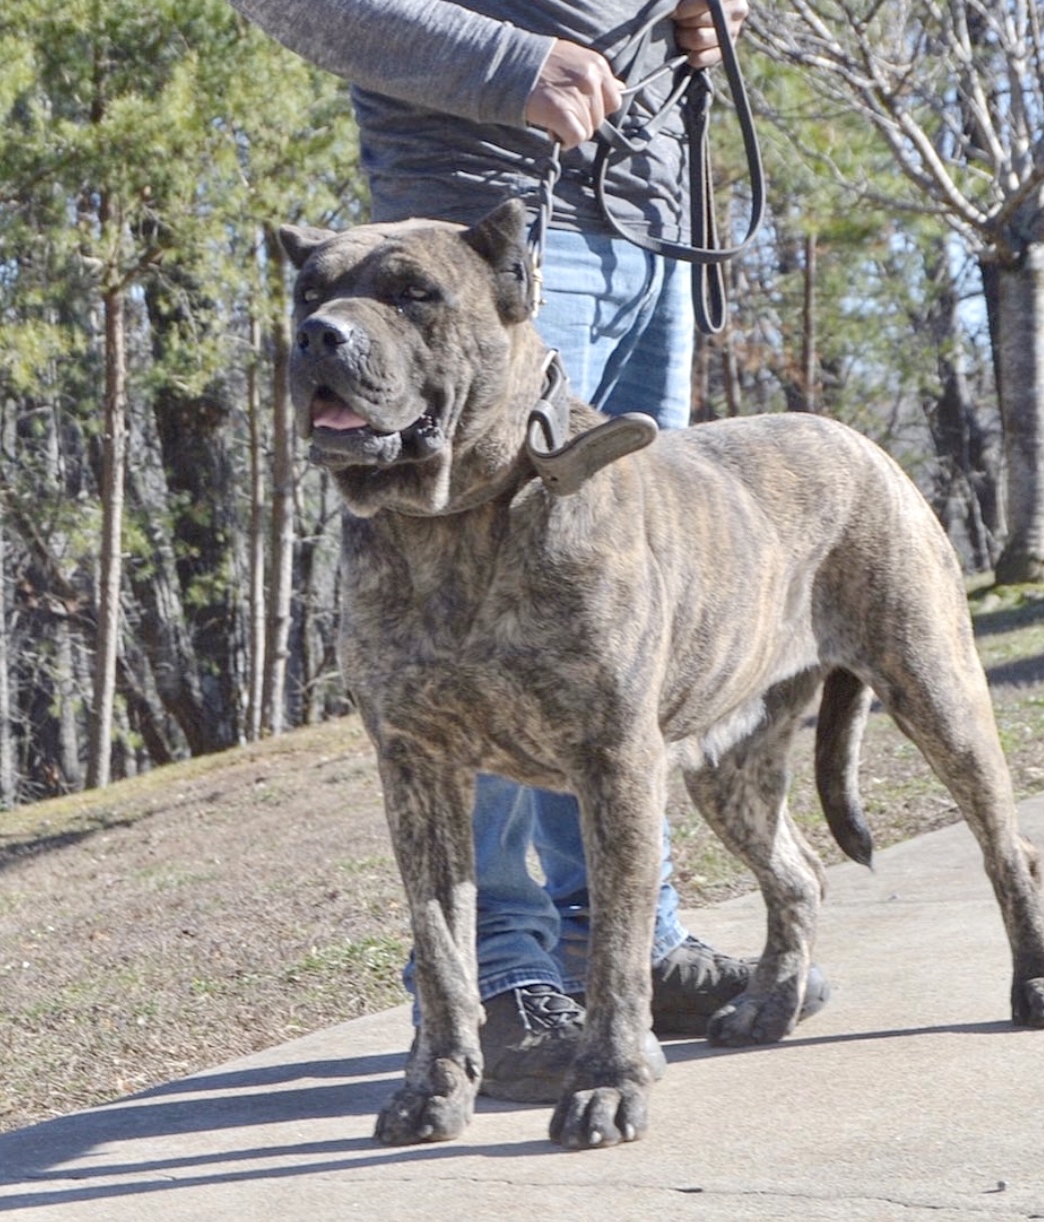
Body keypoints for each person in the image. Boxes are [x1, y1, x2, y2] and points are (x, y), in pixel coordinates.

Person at [229, 0, 827, 1101]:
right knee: (480, 628)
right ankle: (503, 978)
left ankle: (625, 949)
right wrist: (512, 64)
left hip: (648, 220)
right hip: (468, 229)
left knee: (603, 624)